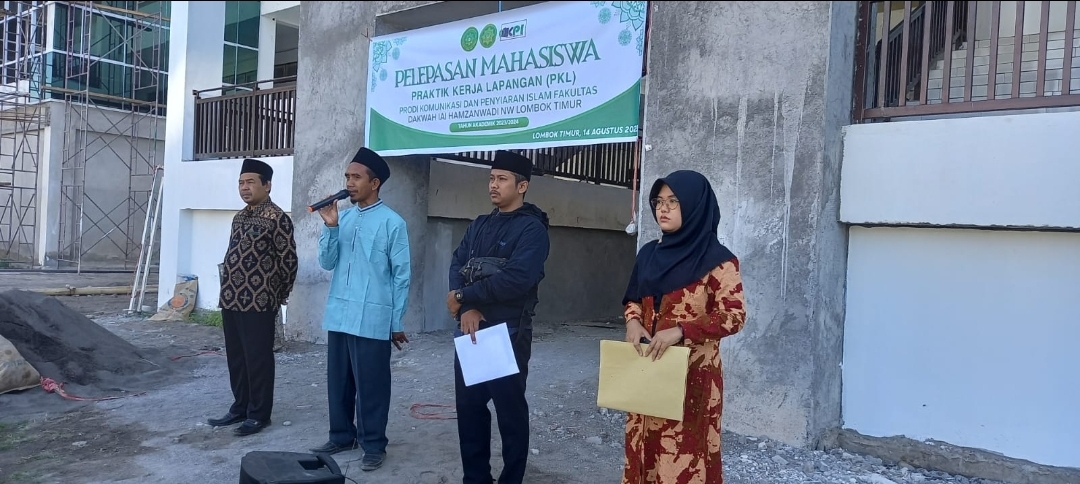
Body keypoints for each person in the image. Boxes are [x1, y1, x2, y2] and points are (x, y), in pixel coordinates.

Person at [620, 170, 748, 484]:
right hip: (648, 368)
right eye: (658, 201)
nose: (663, 209)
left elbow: (734, 316)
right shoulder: (649, 254)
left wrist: (682, 330)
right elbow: (634, 297)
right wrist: (633, 321)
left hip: (693, 378)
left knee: (683, 457)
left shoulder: (719, 262)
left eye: (673, 201)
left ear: (694, 206)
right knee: (644, 448)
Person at [446, 150, 550, 484]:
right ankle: (475, 477)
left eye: (502, 179)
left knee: (509, 412)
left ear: (522, 186)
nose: (493, 184)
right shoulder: (479, 225)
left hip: (508, 331)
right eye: (491, 178)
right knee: (470, 408)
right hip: (472, 328)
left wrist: (465, 296)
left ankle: (511, 478)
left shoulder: (532, 230)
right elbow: (458, 265)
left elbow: (517, 280)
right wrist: (466, 307)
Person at [309, 147, 412, 472]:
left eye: (356, 177)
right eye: (347, 177)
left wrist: (396, 321)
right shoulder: (343, 218)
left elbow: (401, 276)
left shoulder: (393, 223)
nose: (349, 183)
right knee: (339, 382)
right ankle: (341, 436)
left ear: (375, 183)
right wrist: (330, 227)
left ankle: (373, 444)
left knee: (372, 386)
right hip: (340, 314)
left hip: (373, 317)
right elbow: (327, 263)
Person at [209, 158, 298, 437]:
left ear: (267, 185)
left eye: (250, 182)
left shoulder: (278, 218)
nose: (244, 188)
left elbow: (288, 261)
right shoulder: (239, 217)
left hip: (259, 301)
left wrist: (280, 293)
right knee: (236, 358)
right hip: (231, 298)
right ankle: (240, 407)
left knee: (258, 359)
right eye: (241, 183)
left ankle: (259, 414)